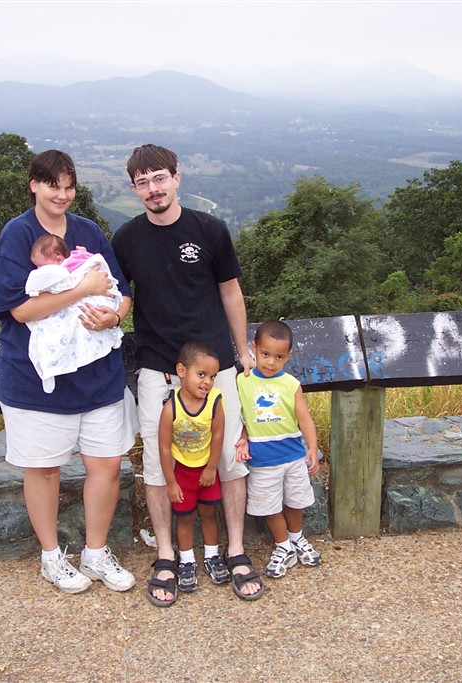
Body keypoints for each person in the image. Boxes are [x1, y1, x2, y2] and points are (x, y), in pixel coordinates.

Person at [111, 144, 264, 605]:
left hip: (216, 367)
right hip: (157, 368)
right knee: (159, 465)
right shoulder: (126, 239)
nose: (153, 189)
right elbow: (118, 297)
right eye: (142, 182)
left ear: (177, 178)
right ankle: (167, 554)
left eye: (159, 178)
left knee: (229, 459)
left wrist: (243, 352)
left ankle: (234, 549)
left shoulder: (209, 230)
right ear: (134, 188)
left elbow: (231, 292)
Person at [0, 149, 136, 595]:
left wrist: (114, 316)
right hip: (37, 380)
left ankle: (95, 552)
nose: (62, 195)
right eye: (53, 186)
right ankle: (52, 557)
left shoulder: (88, 231)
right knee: (44, 469)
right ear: (33, 185)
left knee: (107, 465)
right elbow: (18, 309)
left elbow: (122, 291)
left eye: (69, 187)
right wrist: (81, 290)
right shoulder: (17, 235)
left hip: (98, 375)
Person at [235, 320, 322, 578]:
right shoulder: (242, 381)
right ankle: (283, 546)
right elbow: (240, 417)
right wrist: (243, 439)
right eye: (265, 354)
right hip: (262, 460)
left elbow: (304, 418)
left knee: (296, 500)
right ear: (254, 348)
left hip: (293, 455)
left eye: (279, 357)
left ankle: (297, 537)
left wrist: (312, 447)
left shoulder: (291, 384)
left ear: (288, 356)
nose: (271, 362)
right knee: (268, 507)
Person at [158, 342, 225, 596]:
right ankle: (187, 560)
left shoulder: (214, 401)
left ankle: (212, 555)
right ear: (182, 371)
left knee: (209, 513)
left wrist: (212, 467)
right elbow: (164, 447)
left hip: (207, 470)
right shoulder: (171, 407)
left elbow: (218, 435)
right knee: (185, 517)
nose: (208, 382)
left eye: (213, 376)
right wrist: (170, 482)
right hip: (183, 473)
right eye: (202, 374)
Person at [26, 234, 123, 394]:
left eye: (41, 266)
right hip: (88, 300)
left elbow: (68, 280)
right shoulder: (78, 256)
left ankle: (51, 365)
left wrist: (114, 319)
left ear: (59, 259)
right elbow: (85, 257)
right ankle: (51, 369)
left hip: (96, 302)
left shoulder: (65, 268)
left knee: (58, 327)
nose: (39, 270)